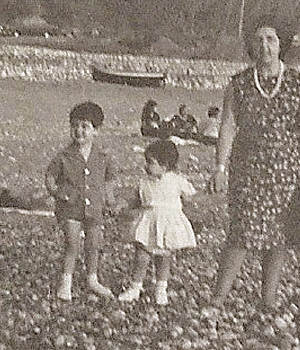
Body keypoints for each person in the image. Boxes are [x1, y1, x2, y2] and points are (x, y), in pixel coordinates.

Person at [205, 24, 300, 313]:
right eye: (259, 40)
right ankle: (218, 298)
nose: (265, 46)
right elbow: (228, 126)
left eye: (271, 39)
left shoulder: (298, 82)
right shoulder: (239, 83)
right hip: (246, 169)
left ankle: (268, 298)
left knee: (279, 235)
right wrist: (219, 167)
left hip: (286, 169)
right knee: (241, 232)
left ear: (281, 44)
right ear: (251, 45)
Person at [45, 101, 116, 301]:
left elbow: (110, 176)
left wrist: (109, 197)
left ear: (96, 131)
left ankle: (92, 279)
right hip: (70, 208)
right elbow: (50, 176)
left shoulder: (102, 157)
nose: (79, 131)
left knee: (94, 244)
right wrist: (56, 192)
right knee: (72, 243)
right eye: (75, 125)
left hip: (94, 208)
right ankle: (65, 282)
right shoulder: (64, 156)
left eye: (85, 126)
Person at [116, 139, 198, 306]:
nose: (146, 166)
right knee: (141, 257)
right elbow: (136, 201)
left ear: (165, 165)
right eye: (147, 162)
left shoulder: (175, 180)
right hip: (148, 223)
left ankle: (161, 288)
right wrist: (123, 206)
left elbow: (190, 195)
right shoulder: (144, 183)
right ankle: (135, 287)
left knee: (163, 258)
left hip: (167, 225)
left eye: (151, 163)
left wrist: (189, 212)